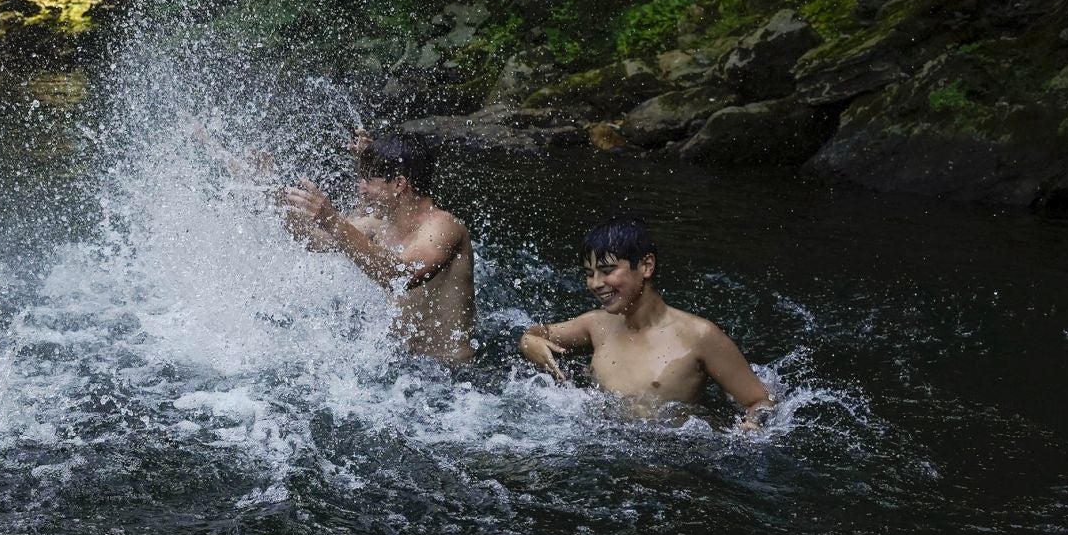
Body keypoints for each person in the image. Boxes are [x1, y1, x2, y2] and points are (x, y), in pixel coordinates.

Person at [517, 217, 776, 427]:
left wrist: (752, 428)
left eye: (607, 271)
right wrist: (529, 343)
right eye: (589, 274)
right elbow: (537, 333)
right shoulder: (596, 325)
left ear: (646, 266)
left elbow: (758, 401)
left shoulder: (699, 336)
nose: (595, 284)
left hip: (668, 466)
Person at [281, 131, 476, 365]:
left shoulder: (444, 227)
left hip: (450, 378)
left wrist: (332, 220)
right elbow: (313, 241)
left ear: (399, 183)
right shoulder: (381, 225)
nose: (360, 189)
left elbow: (401, 275)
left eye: (368, 180)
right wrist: (277, 199)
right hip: (402, 368)